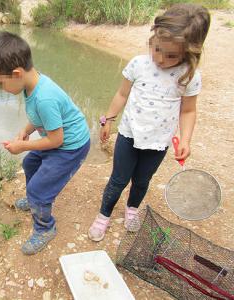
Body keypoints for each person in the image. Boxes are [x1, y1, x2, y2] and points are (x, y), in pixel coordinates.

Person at [88, 4, 211, 241]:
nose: (160, 59)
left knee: (142, 180)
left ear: (189, 53)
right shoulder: (138, 64)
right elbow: (121, 94)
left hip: (159, 142)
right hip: (129, 134)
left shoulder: (189, 76)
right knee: (118, 179)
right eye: (156, 49)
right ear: (153, 39)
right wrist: (108, 120)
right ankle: (103, 215)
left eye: (171, 55)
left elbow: (188, 111)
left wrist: (185, 139)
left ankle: (132, 209)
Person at [0, 32, 90, 254]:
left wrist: (23, 146)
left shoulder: (44, 97)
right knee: (30, 164)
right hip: (58, 141)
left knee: (39, 190)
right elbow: (38, 118)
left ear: (16, 73)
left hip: (71, 147)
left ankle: (45, 228)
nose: (0, 89)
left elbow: (56, 139)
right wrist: (25, 130)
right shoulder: (32, 84)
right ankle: (35, 198)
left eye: (0, 83)